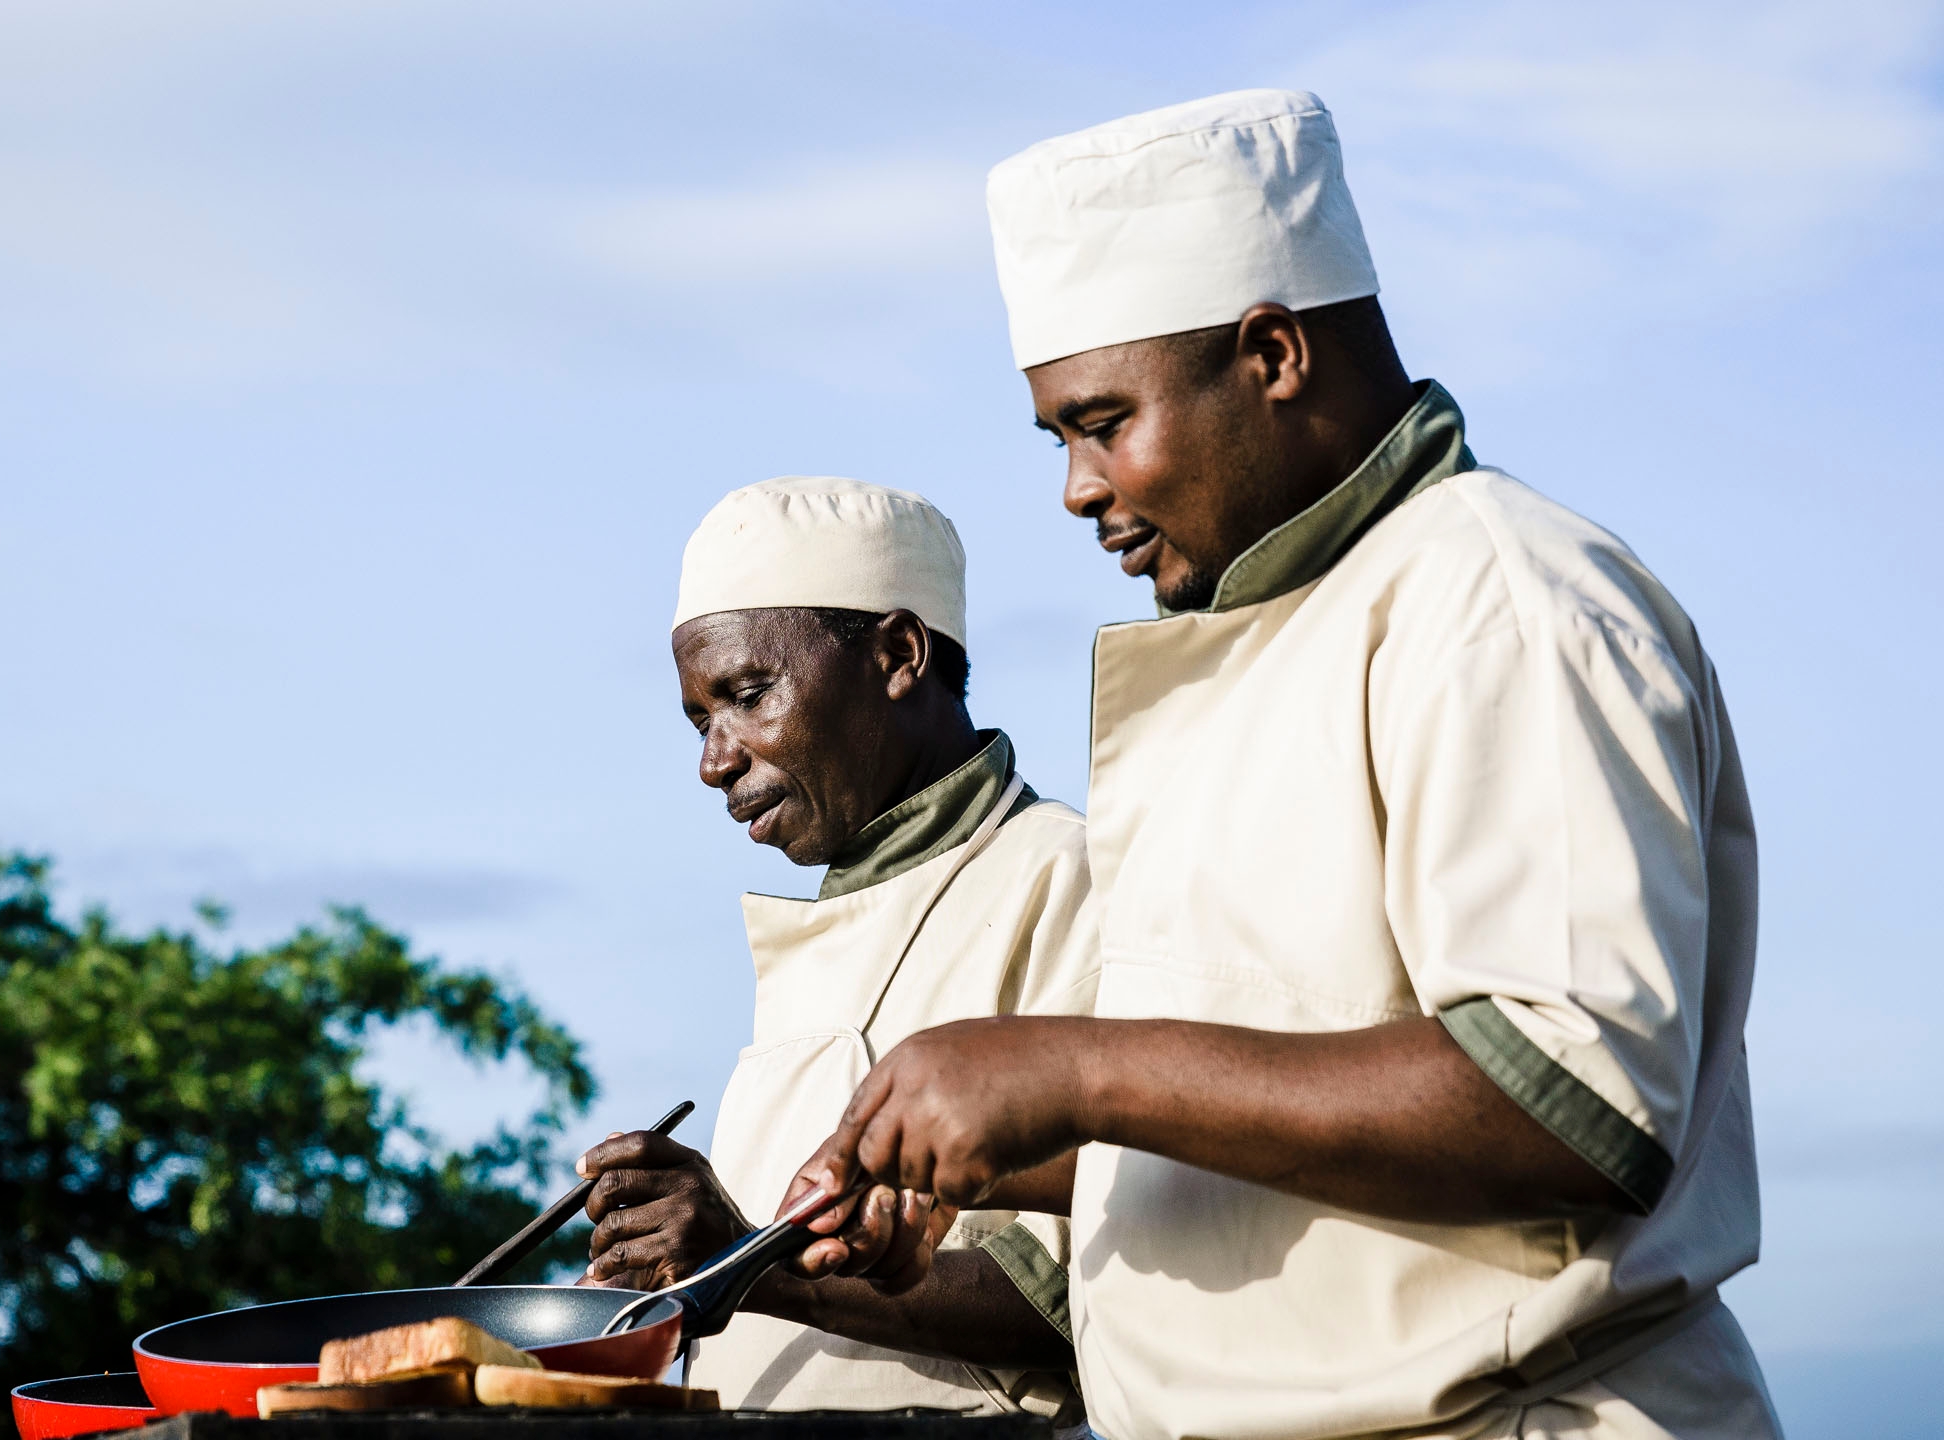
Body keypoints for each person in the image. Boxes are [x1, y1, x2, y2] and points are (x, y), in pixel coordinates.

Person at [780, 91, 1779, 1440]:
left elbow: (1573, 1103)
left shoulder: (1496, 596)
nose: (1077, 488)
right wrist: (1004, 1151)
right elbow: (1277, 1106)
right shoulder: (1271, 638)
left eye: (1102, 421)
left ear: (1272, 353)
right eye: (1059, 439)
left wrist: (1072, 1070)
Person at [576, 476, 1096, 1417]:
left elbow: (1081, 1302)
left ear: (899, 654)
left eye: (747, 694)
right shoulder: (822, 936)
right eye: (701, 719)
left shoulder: (1065, 876)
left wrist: (741, 1264)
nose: (714, 760)